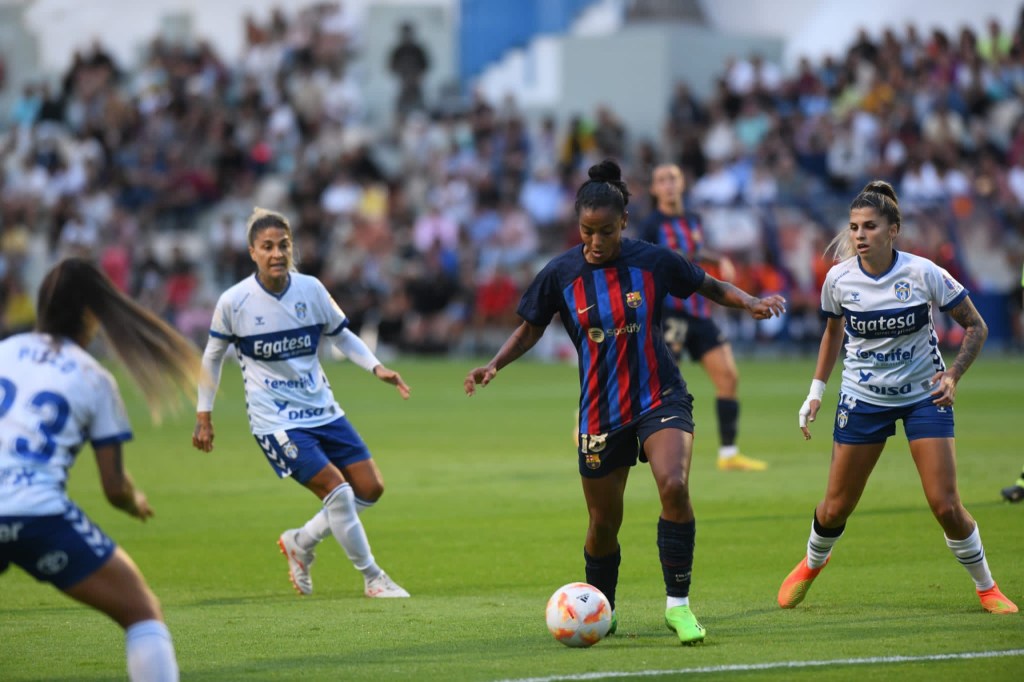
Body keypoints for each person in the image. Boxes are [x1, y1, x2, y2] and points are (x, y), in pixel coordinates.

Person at [464, 160, 785, 645]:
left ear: (624, 223)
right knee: (602, 524)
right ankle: (602, 608)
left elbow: (709, 285)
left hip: (660, 395)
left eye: (606, 232)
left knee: (674, 485)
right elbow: (530, 328)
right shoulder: (561, 273)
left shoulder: (653, 261)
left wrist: (750, 301)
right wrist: (494, 364)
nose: (595, 242)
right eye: (587, 231)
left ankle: (678, 607)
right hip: (601, 410)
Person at [780, 180, 1018, 615]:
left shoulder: (923, 273)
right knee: (834, 508)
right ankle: (812, 563)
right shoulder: (838, 279)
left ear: (893, 230)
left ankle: (987, 587)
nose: (859, 235)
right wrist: (815, 392)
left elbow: (976, 326)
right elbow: (832, 333)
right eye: (854, 227)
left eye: (870, 226)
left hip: (924, 396)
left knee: (945, 505)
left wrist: (953, 376)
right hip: (863, 397)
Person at [192, 208, 411, 599]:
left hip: (322, 409)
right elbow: (212, 357)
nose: (277, 254)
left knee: (370, 487)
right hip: (275, 421)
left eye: (284, 245)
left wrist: (376, 367)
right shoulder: (234, 302)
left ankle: (301, 541)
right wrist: (203, 415)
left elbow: (341, 335)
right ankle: (373, 578)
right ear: (252, 252)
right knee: (338, 491)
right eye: (267, 247)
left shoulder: (311, 290)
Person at [0, 258, 203, 681]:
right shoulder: (94, 378)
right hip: (37, 514)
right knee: (142, 613)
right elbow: (113, 487)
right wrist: (134, 502)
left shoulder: (5, 352)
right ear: (92, 316)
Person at [638, 163, 767, 472]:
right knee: (656, 383)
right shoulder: (651, 225)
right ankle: (601, 422)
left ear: (682, 184)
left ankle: (729, 454)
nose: (668, 184)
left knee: (728, 377)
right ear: (654, 189)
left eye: (673, 178)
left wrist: (718, 258)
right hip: (669, 313)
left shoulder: (693, 219)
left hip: (698, 311)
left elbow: (692, 252)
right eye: (662, 180)